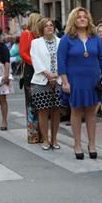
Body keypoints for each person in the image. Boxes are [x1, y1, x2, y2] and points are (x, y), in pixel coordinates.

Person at [58, 7, 102, 160]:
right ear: (74, 20)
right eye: (79, 17)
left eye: (85, 17)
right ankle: (77, 144)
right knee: (76, 112)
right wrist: (65, 81)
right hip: (75, 81)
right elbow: (61, 61)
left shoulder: (95, 38)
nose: (82, 19)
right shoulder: (67, 39)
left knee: (92, 113)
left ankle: (92, 144)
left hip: (93, 80)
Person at [30, 18, 62, 151]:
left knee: (56, 111)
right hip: (41, 80)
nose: (49, 27)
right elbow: (35, 59)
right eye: (46, 26)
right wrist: (47, 74)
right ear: (41, 29)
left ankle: (54, 139)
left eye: (51, 25)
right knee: (43, 111)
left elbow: (64, 59)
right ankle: (45, 139)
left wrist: (57, 74)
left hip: (58, 78)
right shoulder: (35, 43)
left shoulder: (61, 42)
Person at [20, 13, 42, 144]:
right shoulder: (27, 34)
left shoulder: (37, 35)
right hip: (31, 70)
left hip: (38, 69)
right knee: (31, 103)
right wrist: (35, 62)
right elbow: (23, 53)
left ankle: (40, 132)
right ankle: (33, 135)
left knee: (38, 103)